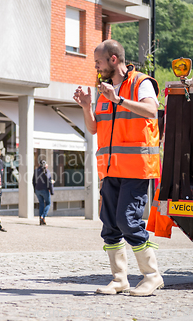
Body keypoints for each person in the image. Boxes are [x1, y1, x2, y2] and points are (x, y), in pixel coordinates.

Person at [73, 39, 162, 296]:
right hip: (111, 169)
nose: (96, 67)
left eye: (99, 62)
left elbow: (151, 111)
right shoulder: (103, 90)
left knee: (128, 220)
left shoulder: (141, 83)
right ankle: (119, 279)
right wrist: (86, 107)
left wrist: (119, 99)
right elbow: (93, 129)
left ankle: (152, 276)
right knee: (110, 224)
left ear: (113, 59)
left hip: (136, 167)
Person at [32, 159, 54, 226]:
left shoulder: (36, 171)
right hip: (45, 190)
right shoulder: (47, 171)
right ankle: (43, 216)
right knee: (48, 203)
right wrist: (51, 191)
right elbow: (49, 182)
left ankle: (41, 220)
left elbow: (33, 181)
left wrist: (35, 190)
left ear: (39, 164)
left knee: (41, 204)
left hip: (37, 190)